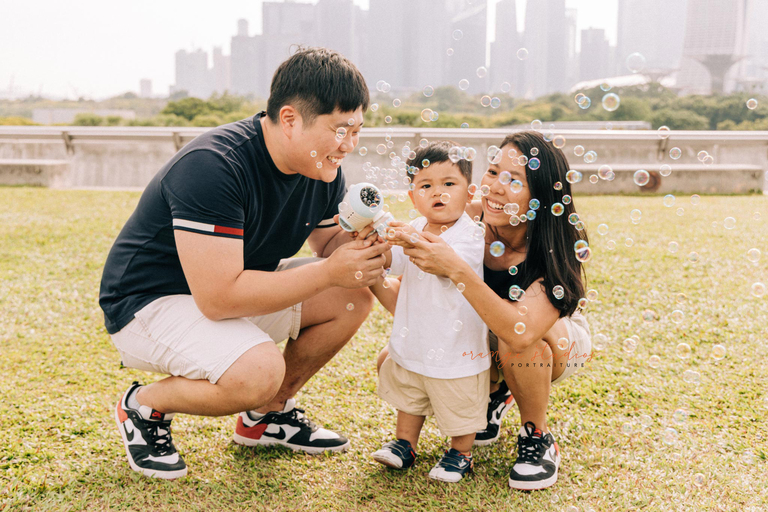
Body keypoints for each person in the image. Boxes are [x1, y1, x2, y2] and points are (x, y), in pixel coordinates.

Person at [99, 47, 390, 480]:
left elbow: (329, 241)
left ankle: (267, 417)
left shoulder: (322, 169)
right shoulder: (214, 166)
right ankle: (143, 406)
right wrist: (330, 270)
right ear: (289, 119)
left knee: (350, 296)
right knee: (259, 371)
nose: (349, 146)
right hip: (147, 304)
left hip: (222, 292)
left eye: (357, 131)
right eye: (340, 130)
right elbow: (219, 299)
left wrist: (365, 248)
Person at [381, 131, 592, 491]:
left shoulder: (555, 243)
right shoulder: (469, 217)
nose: (495, 187)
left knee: (520, 343)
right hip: (486, 331)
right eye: (493, 172)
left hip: (556, 343)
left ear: (540, 195)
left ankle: (537, 436)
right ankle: (495, 392)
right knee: (394, 356)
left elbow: (521, 332)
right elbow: (419, 299)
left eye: (514, 180)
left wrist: (455, 268)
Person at [365, 141, 488, 483]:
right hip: (416, 339)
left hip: (456, 345)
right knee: (410, 394)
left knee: (460, 403)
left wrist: (406, 237)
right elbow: (395, 261)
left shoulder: (471, 236)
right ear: (413, 196)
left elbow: (446, 262)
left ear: (469, 192)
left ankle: (460, 453)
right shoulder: (417, 228)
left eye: (450, 184)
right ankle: (405, 443)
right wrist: (379, 247)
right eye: (426, 185)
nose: (439, 192)